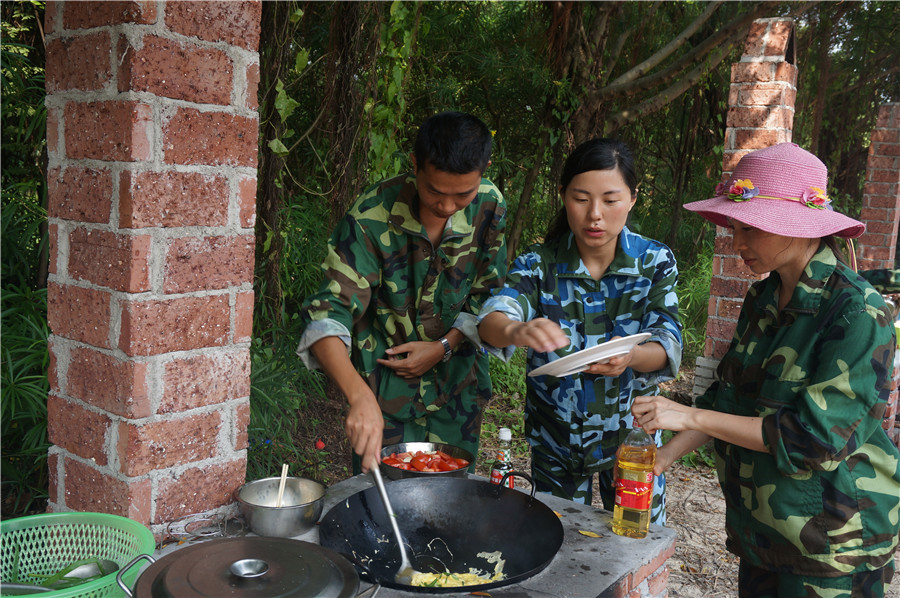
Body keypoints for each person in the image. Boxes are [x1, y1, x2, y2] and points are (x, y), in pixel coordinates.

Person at [632, 143, 900, 597]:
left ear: (799, 226)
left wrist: (689, 416)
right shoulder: (763, 299)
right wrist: (659, 459)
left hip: (833, 546)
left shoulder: (858, 314)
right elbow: (728, 398)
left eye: (751, 228)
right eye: (735, 227)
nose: (738, 243)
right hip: (766, 534)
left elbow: (811, 440)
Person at [477, 138, 682, 523]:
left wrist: (631, 357)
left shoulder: (654, 261)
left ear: (633, 198)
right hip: (557, 441)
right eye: (581, 198)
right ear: (563, 195)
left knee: (637, 544)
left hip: (632, 438)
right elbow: (492, 321)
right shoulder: (538, 265)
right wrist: (518, 330)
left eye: (610, 199)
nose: (595, 216)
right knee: (559, 547)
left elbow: (667, 340)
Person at [296, 111, 507, 472]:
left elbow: (487, 297)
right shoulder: (369, 217)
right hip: (384, 394)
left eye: (463, 195)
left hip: (457, 390)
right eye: (434, 191)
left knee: (453, 506)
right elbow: (327, 315)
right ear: (414, 165)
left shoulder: (490, 206)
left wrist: (444, 346)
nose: (446, 206)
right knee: (381, 509)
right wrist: (359, 396)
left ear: (484, 170)